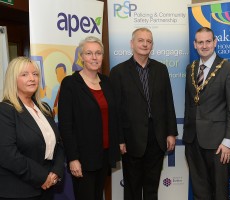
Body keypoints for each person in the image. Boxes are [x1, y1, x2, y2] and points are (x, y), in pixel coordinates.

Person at [109, 27, 178, 200]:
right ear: (132, 44)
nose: (145, 44)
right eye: (141, 40)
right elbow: (115, 110)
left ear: (152, 45)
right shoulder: (118, 72)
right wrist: (119, 139)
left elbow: (168, 102)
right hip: (131, 139)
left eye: (149, 41)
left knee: (151, 188)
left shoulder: (161, 69)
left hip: (157, 137)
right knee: (132, 189)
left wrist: (171, 132)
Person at [58, 36, 120, 200]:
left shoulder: (107, 82)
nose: (94, 57)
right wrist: (73, 158)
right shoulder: (70, 84)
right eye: (89, 53)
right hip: (83, 158)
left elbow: (114, 117)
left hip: (104, 155)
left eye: (98, 53)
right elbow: (65, 125)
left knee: (98, 196)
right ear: (81, 57)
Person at [183, 27, 230, 200]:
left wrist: (228, 142)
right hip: (193, 141)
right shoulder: (190, 68)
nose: (204, 45)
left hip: (218, 144)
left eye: (208, 41)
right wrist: (187, 135)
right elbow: (189, 104)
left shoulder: (229, 68)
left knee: (220, 193)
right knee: (200, 191)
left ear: (215, 42)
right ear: (195, 45)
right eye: (200, 42)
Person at [0, 57, 65, 200]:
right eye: (24, 74)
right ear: (13, 79)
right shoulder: (5, 110)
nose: (32, 78)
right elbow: (8, 155)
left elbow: (59, 144)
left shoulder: (45, 109)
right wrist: (42, 177)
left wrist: (56, 172)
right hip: (18, 191)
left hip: (47, 188)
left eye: (35, 74)